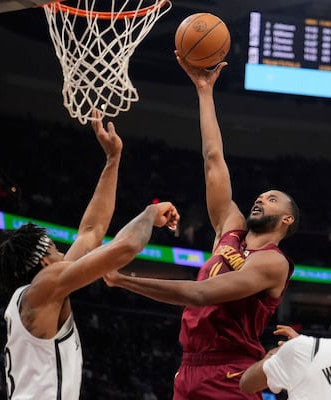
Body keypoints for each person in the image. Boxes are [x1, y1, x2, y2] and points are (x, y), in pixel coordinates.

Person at [102, 53, 300, 400]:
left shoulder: (273, 262)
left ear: (287, 220)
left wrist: (123, 279)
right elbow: (213, 160)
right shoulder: (232, 229)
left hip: (231, 371)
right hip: (189, 367)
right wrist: (204, 91)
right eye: (260, 196)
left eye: (271, 199)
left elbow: (201, 293)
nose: (260, 199)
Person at [0, 109, 180, 400]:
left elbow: (91, 232)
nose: (64, 251)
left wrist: (113, 161)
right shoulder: (44, 287)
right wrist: (149, 213)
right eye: (55, 248)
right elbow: (126, 248)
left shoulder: (40, 292)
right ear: (43, 261)